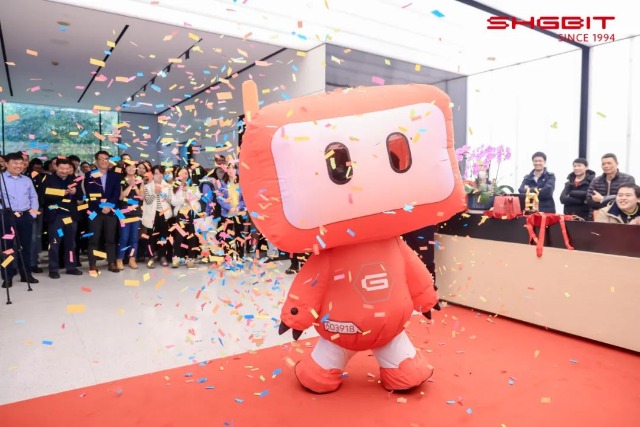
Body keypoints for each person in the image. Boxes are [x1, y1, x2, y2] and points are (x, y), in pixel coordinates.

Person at [0, 152, 39, 288]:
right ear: (6, 164)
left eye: (21, 163)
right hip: (7, 216)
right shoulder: (1, 178)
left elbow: (33, 197)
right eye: (15, 163)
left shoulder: (26, 180)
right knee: (7, 248)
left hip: (25, 216)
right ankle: (7, 276)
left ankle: (26, 274)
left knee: (26, 247)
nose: (19, 166)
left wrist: (32, 215)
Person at [41, 158, 83, 278]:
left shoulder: (73, 179)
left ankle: (71, 266)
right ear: (56, 167)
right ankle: (53, 269)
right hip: (56, 216)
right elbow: (44, 197)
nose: (64, 171)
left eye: (67, 169)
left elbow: (81, 197)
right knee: (54, 243)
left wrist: (75, 192)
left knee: (71, 243)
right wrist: (61, 193)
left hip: (70, 215)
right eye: (62, 168)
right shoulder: (48, 179)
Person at [81, 151, 121, 274]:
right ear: (96, 161)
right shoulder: (89, 175)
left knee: (111, 239)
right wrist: (101, 206)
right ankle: (92, 264)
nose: (104, 161)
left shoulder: (115, 175)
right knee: (94, 238)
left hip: (111, 211)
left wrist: (108, 206)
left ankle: (111, 263)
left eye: (106, 159)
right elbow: (90, 194)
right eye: (101, 159)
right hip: (95, 211)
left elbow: (116, 193)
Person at [170, 166, 201, 268]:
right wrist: (183, 199)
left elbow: (198, 196)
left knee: (192, 236)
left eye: (186, 173)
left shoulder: (192, 185)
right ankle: (176, 258)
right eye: (181, 173)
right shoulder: (174, 186)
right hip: (180, 213)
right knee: (179, 236)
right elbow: (173, 202)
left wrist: (188, 192)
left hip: (191, 212)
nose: (184, 176)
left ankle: (190, 258)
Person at [142, 166, 173, 268]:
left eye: (160, 173)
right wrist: (155, 193)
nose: (158, 176)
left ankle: (162, 256)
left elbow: (170, 200)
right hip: (152, 214)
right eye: (156, 173)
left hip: (163, 214)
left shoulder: (168, 186)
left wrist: (161, 193)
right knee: (151, 236)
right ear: (152, 175)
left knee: (163, 236)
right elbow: (148, 201)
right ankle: (151, 257)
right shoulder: (147, 187)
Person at [216, 164, 247, 265]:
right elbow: (219, 198)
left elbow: (245, 198)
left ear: (237, 170)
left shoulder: (241, 183)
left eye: (233, 168)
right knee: (226, 235)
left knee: (239, 234)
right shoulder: (222, 183)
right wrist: (229, 208)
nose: (231, 170)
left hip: (239, 212)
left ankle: (240, 256)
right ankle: (227, 258)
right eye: (228, 168)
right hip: (227, 213)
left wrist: (238, 207)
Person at [115, 161, 143, 270]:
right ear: (125, 168)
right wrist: (130, 185)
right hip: (123, 212)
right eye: (129, 167)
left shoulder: (139, 180)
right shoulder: (121, 180)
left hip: (136, 212)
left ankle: (132, 259)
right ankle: (119, 259)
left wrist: (135, 186)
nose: (131, 169)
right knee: (123, 237)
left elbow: (141, 197)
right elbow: (121, 197)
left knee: (134, 238)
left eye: (133, 167)